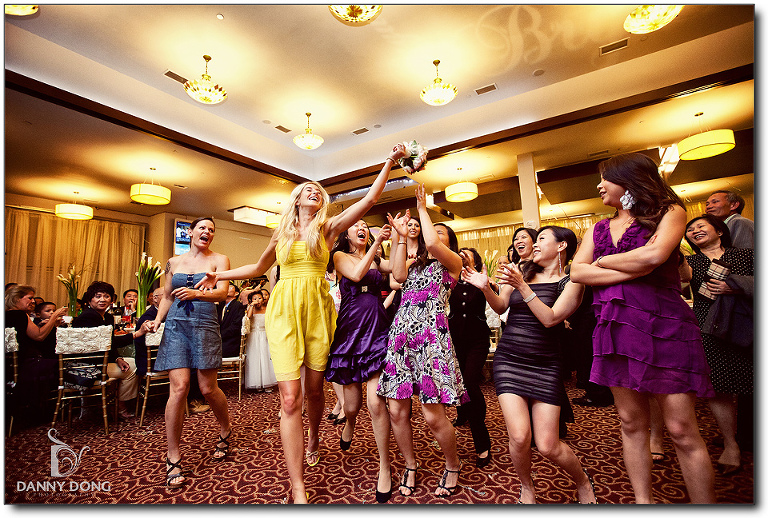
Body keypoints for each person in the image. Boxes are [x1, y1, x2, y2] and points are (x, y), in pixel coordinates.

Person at [195, 143, 408, 503]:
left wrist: (389, 161)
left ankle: (314, 435)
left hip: (317, 312)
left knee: (314, 392)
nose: (313, 191)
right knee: (291, 399)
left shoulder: (327, 229)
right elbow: (258, 267)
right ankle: (298, 486)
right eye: (307, 189)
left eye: (317, 190)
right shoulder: (280, 233)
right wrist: (219, 275)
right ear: (296, 199)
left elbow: (370, 199)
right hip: (284, 312)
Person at [570, 152, 716, 504]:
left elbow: (654, 256)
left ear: (629, 180)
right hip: (615, 330)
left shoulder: (669, 212)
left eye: (605, 178)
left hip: (666, 327)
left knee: (681, 429)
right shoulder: (597, 228)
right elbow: (577, 272)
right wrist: (629, 265)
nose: (599, 186)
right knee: (631, 423)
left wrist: (603, 262)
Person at [463, 226, 596, 504]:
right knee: (520, 436)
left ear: (562, 246)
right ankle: (527, 487)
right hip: (509, 360)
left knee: (548, 445)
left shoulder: (572, 281)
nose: (534, 244)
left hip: (545, 364)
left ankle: (582, 480)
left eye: (542, 239)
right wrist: (485, 287)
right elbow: (501, 307)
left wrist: (522, 287)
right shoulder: (522, 271)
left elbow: (551, 318)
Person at [377, 184, 467, 499]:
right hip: (401, 337)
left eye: (441, 233)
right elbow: (398, 276)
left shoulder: (452, 264)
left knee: (432, 415)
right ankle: (410, 465)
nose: (433, 235)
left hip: (431, 339)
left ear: (448, 243)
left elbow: (431, 241)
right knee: (397, 411)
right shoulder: (414, 262)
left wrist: (422, 209)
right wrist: (401, 236)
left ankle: (452, 464)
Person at [147, 217, 233, 489]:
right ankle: (173, 456)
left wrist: (196, 295)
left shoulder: (219, 259)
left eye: (211, 230)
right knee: (179, 387)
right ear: (191, 232)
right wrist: (157, 321)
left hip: (205, 324)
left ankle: (225, 428)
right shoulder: (173, 262)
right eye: (202, 228)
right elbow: (168, 296)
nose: (207, 232)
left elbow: (221, 294)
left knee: (208, 388)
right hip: (176, 326)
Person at [326, 220, 395, 503]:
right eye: (356, 225)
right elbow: (355, 275)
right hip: (350, 332)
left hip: (377, 328)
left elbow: (397, 272)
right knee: (352, 407)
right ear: (347, 234)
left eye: (366, 224)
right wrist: (377, 244)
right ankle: (350, 423)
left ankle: (384, 466)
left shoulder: (377, 259)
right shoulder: (340, 257)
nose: (362, 227)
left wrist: (400, 238)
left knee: (376, 403)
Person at [680, 214, 753, 475]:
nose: (694, 230)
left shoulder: (745, 255)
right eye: (690, 230)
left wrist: (735, 286)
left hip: (747, 324)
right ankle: (731, 444)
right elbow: (680, 280)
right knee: (719, 387)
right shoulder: (692, 261)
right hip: (709, 328)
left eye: (700, 226)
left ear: (719, 231)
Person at [73, 281, 147, 420]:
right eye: (98, 296)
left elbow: (108, 344)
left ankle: (116, 403)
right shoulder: (88, 316)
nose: (102, 300)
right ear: (90, 299)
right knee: (134, 368)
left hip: (101, 361)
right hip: (88, 365)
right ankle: (120, 406)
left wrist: (118, 359)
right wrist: (136, 334)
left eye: (106, 296)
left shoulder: (107, 317)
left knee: (132, 363)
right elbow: (106, 343)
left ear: (111, 299)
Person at [448, 247, 492, 469]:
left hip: (477, 340)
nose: (463, 255)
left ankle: (482, 440)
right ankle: (463, 414)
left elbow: (493, 293)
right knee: (458, 381)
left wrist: (474, 271)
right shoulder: (451, 278)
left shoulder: (482, 277)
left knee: (470, 383)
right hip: (455, 338)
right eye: (460, 252)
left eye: (468, 253)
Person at [4, 286, 67, 424]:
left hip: (10, 365)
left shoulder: (7, 315)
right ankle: (53, 410)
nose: (33, 301)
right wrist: (54, 316)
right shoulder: (20, 315)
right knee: (63, 365)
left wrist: (48, 324)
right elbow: (39, 336)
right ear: (16, 299)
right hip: (26, 365)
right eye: (30, 298)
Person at [386, 217, 424, 321]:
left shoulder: (425, 252)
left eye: (417, 225)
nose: (413, 228)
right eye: (409, 225)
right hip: (401, 297)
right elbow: (392, 283)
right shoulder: (399, 250)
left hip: (421, 296)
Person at [244, 290, 277, 392]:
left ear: (263, 299)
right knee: (255, 358)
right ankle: (257, 383)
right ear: (251, 300)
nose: (257, 300)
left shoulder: (268, 309)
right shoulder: (250, 309)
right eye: (254, 299)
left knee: (266, 357)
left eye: (259, 298)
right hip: (253, 336)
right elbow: (248, 317)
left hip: (265, 335)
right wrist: (252, 305)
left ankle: (267, 383)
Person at [218, 284, 246, 358]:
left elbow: (236, 326)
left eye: (229, 288)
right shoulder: (220, 305)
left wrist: (220, 335)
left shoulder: (238, 305)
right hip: (218, 341)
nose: (226, 289)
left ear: (236, 293)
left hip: (230, 342)